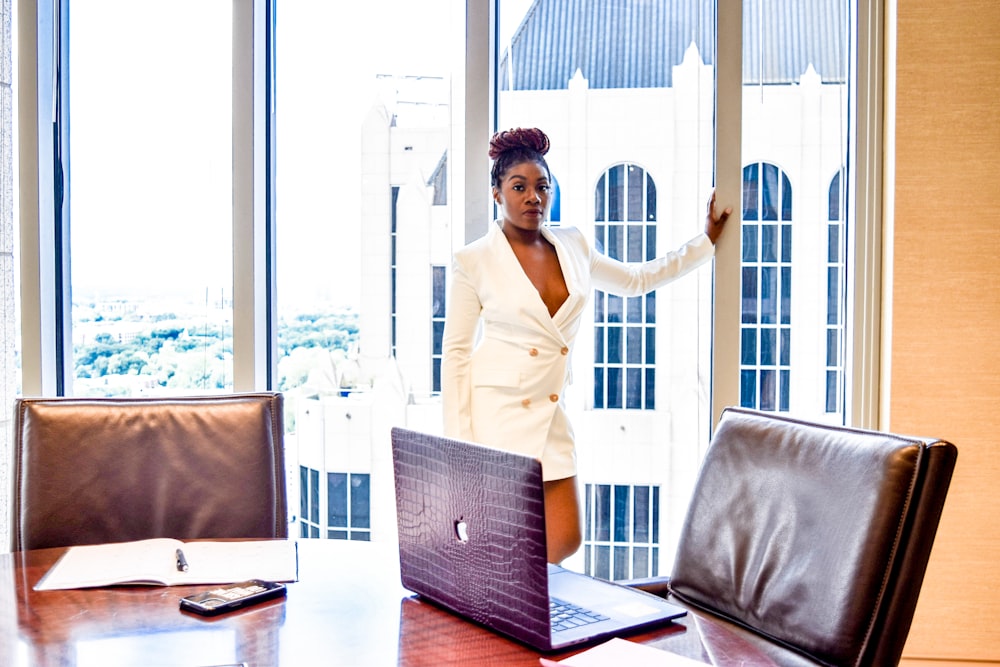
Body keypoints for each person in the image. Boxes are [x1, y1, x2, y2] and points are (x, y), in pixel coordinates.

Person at [441, 127, 731, 564]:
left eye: (542, 186)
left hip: (550, 411)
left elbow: (636, 281)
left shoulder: (573, 244)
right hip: (496, 419)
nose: (533, 197)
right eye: (518, 187)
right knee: (500, 547)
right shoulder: (473, 260)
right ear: (497, 194)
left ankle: (525, 611)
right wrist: (461, 453)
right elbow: (456, 356)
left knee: (565, 538)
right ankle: (514, 622)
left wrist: (704, 244)